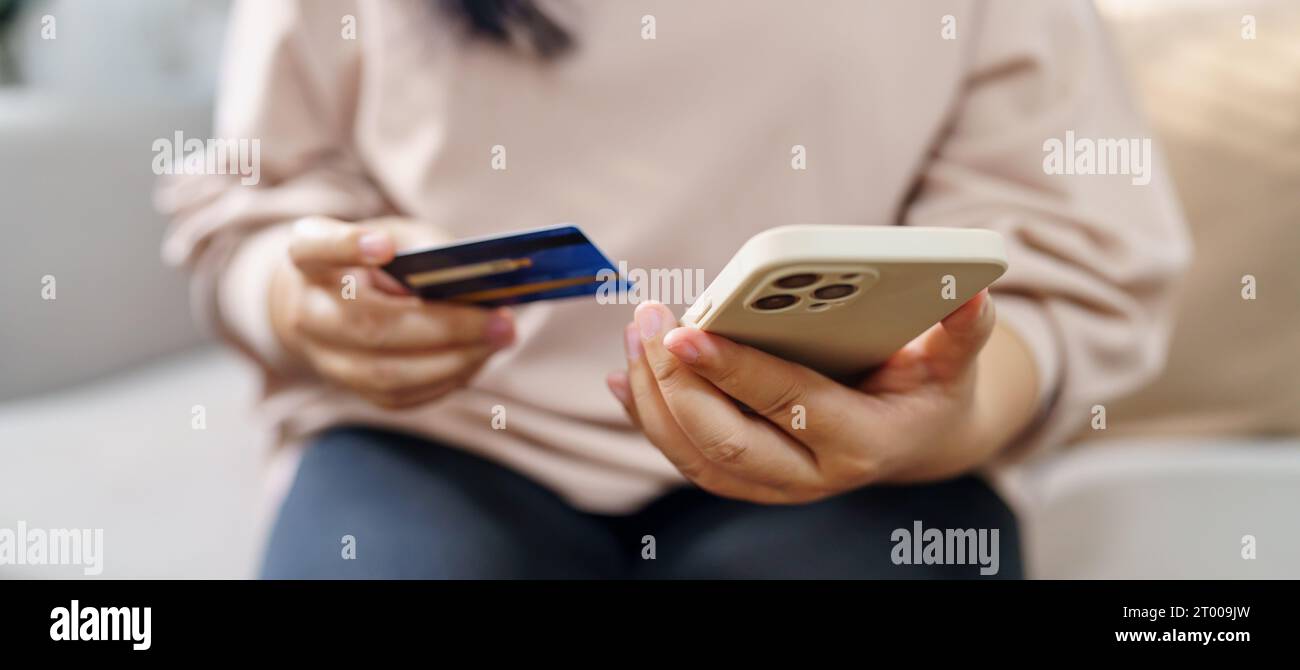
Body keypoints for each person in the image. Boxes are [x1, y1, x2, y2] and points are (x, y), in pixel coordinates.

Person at [160, 0, 1189, 578]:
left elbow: (1063, 266)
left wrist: (948, 411)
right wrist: (306, 310)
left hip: (849, 466)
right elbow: (246, 210)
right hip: (437, 440)